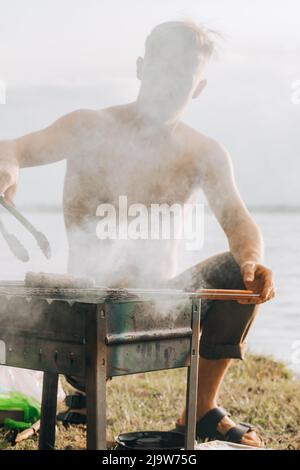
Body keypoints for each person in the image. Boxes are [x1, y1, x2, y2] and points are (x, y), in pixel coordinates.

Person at [0, 21, 275, 447]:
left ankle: (201, 410)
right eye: (162, 71)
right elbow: (15, 146)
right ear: (141, 68)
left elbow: (239, 222)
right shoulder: (89, 127)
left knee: (238, 272)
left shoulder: (203, 152)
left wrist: (251, 259)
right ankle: (84, 391)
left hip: (161, 309)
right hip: (86, 309)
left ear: (197, 88)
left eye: (181, 79)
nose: (168, 87)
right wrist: (9, 164)